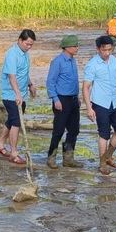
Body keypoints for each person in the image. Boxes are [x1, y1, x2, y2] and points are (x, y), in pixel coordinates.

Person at [83, 36, 116, 175]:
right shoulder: (92, 65)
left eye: (109, 50)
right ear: (98, 49)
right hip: (100, 103)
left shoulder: (114, 61)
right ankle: (101, 163)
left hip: (115, 101)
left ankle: (108, 157)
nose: (107, 53)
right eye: (104, 50)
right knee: (104, 134)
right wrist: (89, 107)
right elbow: (86, 87)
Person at [0, 30, 37, 165]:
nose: (28, 47)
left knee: (12, 120)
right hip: (10, 95)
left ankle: (0, 144)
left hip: (21, 93)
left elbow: (23, 72)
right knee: (16, 123)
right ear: (19, 40)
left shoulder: (25, 54)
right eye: (27, 44)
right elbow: (12, 76)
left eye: (31, 45)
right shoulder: (12, 55)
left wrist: (30, 85)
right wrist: (17, 93)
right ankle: (14, 153)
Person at [45, 35, 83, 169]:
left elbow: (73, 81)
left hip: (73, 99)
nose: (77, 48)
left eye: (77, 45)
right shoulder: (58, 61)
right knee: (59, 130)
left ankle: (68, 158)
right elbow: (51, 82)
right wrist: (55, 99)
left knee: (74, 129)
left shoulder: (73, 61)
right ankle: (51, 157)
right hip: (62, 99)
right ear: (66, 47)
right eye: (74, 46)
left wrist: (77, 97)